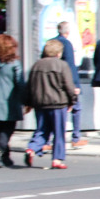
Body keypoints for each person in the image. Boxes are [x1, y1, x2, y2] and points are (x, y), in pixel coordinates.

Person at [24, 39, 78, 169]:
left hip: (40, 104)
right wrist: (73, 100)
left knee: (42, 129)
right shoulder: (62, 65)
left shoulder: (36, 65)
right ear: (58, 53)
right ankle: (57, 159)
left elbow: (29, 86)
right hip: (58, 104)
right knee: (59, 132)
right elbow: (69, 86)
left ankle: (32, 148)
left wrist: (28, 103)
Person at [0, 34, 26, 168]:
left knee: (0, 128)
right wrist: (26, 100)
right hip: (9, 102)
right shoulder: (14, 64)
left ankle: (5, 158)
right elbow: (20, 83)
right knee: (7, 129)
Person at [56, 20, 85, 149]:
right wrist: (76, 85)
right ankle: (76, 137)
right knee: (76, 108)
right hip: (66, 81)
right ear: (67, 32)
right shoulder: (66, 44)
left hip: (54, 82)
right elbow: (70, 65)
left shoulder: (51, 42)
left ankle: (51, 138)